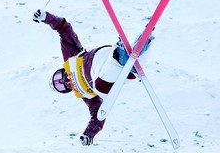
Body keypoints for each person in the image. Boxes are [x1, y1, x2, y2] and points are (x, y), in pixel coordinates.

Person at [32, 9, 154, 146]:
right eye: (59, 86)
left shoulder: (70, 58)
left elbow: (64, 30)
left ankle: (118, 55)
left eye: (57, 78)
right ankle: (145, 43)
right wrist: (88, 134)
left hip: (98, 60)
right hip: (113, 75)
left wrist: (45, 17)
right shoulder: (84, 95)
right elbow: (98, 115)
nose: (62, 81)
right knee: (126, 74)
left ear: (60, 71)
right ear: (65, 91)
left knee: (100, 88)